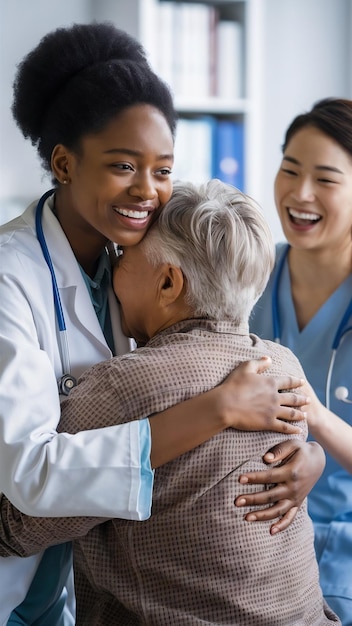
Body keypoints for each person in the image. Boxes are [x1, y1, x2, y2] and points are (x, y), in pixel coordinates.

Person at [0, 21, 324, 625]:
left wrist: (307, 458)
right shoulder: (9, 278)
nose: (148, 190)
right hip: (15, 577)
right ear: (64, 164)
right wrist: (217, 409)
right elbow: (33, 478)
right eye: (124, 165)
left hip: (82, 574)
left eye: (163, 168)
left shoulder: (137, 256)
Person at [250, 98, 352, 625]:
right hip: (254, 530)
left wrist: (313, 413)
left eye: (326, 179)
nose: (300, 193)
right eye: (290, 170)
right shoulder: (246, 274)